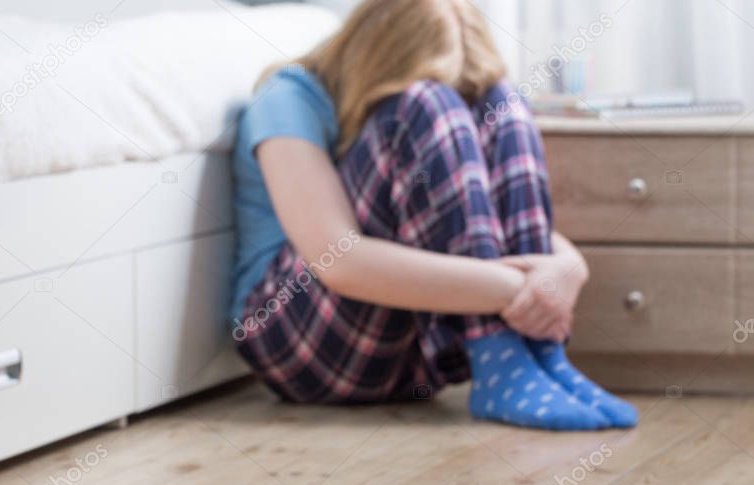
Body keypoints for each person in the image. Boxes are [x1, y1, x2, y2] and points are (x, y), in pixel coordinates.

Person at [230, 0, 637, 431]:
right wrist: (520, 288)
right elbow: (338, 260)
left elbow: (478, 204)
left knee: (500, 101)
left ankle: (538, 354)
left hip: (413, 355)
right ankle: (502, 359)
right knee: (424, 103)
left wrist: (567, 267)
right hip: (297, 347)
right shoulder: (286, 98)